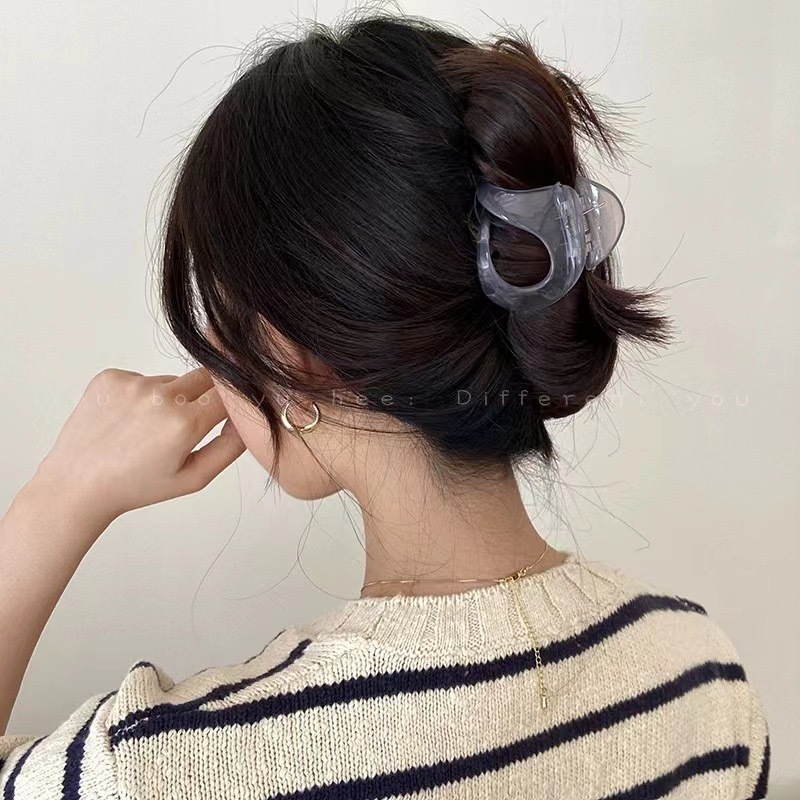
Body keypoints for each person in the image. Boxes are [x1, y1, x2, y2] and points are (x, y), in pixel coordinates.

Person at [0, 12, 769, 799]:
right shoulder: (705, 681)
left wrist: (56, 501)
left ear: (294, 353)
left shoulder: (163, 768)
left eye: (220, 318)